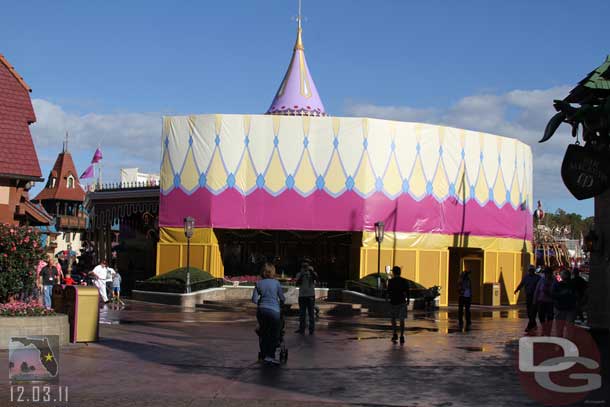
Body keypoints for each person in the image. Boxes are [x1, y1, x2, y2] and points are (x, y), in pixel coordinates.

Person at [251, 262, 286, 365]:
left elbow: (254, 299)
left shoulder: (258, 283)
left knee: (263, 333)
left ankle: (263, 354)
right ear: (273, 272)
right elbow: (282, 298)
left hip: (261, 311)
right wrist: (281, 304)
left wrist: (261, 303)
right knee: (274, 334)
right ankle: (270, 356)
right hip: (274, 311)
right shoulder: (276, 283)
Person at [386, 266, 410, 344]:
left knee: (393, 320)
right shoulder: (404, 281)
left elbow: (388, 291)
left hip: (393, 302)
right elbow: (407, 291)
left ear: (393, 273)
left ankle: (395, 334)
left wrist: (387, 299)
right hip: (402, 302)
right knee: (401, 320)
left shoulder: (391, 281)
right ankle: (402, 336)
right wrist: (408, 300)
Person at [514, 265, 541, 332]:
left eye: (532, 270)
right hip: (528, 296)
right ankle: (533, 324)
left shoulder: (538, 278)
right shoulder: (526, 277)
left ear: (534, 270)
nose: (531, 271)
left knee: (533, 312)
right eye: (530, 270)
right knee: (529, 312)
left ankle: (529, 326)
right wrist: (517, 290)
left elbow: (540, 287)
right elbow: (521, 284)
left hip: (535, 297)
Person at [552, 269, 578, 337]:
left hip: (567, 308)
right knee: (561, 328)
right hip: (562, 308)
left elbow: (576, 294)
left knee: (567, 328)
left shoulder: (572, 284)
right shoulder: (558, 283)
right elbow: (553, 294)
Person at [295, 261, 318, 335]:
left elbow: (316, 278)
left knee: (311, 313)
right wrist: (302, 274)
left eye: (306, 266)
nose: (305, 268)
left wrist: (311, 271)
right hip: (302, 296)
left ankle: (311, 329)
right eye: (304, 266)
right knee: (302, 313)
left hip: (310, 295)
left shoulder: (312, 273)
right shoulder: (299, 274)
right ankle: (302, 329)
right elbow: (297, 283)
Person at [534, 268, 554, 335]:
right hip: (541, 301)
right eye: (545, 273)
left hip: (550, 302)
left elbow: (556, 291)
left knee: (550, 316)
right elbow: (537, 290)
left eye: (548, 273)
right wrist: (535, 300)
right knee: (541, 315)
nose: (546, 274)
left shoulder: (554, 280)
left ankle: (548, 330)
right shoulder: (541, 280)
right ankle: (544, 327)